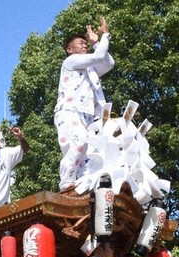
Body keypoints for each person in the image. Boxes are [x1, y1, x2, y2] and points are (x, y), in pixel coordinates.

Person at [54, 16, 115, 191]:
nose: (84, 45)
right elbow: (99, 56)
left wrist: (97, 43)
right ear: (69, 49)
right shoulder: (70, 62)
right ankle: (66, 182)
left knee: (88, 152)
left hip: (88, 116)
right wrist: (105, 35)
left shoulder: (90, 68)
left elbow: (109, 63)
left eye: (85, 43)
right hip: (69, 110)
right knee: (78, 142)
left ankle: (80, 184)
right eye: (80, 43)